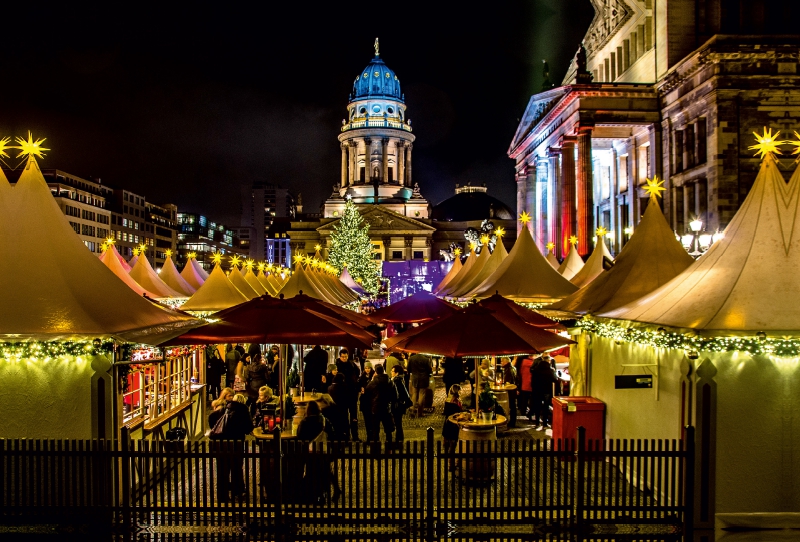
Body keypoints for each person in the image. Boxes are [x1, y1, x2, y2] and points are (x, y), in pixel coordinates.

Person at [211, 393, 254, 502]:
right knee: (236, 468)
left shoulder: (224, 409)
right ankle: (237, 491)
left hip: (220, 445)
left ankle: (222, 495)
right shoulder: (243, 411)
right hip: (236, 444)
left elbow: (212, 419)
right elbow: (248, 427)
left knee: (222, 471)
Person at [296, 400, 338, 503]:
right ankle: (329, 490)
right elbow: (332, 434)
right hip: (323, 451)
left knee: (311, 471)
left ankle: (315, 493)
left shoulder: (305, 422)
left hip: (310, 452)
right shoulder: (324, 420)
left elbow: (299, 436)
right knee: (326, 470)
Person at [364, 364, 396, 445]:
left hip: (376, 408)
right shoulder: (390, 382)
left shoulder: (373, 382)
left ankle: (375, 448)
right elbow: (395, 395)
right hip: (386, 408)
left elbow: (367, 393)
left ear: (376, 372)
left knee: (375, 429)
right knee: (388, 429)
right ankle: (389, 447)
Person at [335, 348, 362, 441]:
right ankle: (346, 436)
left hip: (352, 394)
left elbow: (358, 372)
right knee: (344, 417)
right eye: (343, 357)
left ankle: (355, 436)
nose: (344, 358)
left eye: (346, 356)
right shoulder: (337, 366)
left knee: (354, 417)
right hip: (343, 395)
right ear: (340, 356)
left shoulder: (351, 364)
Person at [530, 354, 559, 428]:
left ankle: (537, 422)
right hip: (546, 390)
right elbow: (555, 379)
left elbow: (533, 380)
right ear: (548, 361)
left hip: (537, 390)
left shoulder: (536, 369)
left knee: (537, 406)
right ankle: (545, 424)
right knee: (546, 406)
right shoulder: (550, 370)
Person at [441, 384, 463, 471]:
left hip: (447, 425)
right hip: (453, 426)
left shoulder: (448, 401)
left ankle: (450, 463)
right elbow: (457, 414)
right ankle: (452, 464)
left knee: (448, 446)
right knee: (453, 446)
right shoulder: (456, 403)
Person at [390, 365, 412, 444]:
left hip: (398, 406)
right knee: (398, 423)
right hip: (398, 405)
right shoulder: (398, 380)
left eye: (392, 371)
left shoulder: (397, 381)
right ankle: (399, 440)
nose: (391, 372)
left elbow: (399, 395)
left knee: (398, 424)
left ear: (396, 373)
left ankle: (399, 441)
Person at [407, 352, 432, 418]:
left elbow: (408, 369)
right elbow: (429, 370)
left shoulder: (412, 358)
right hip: (424, 379)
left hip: (415, 378)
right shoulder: (426, 359)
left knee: (414, 394)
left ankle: (412, 411)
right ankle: (419, 413)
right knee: (422, 394)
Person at [326, 373, 349, 440]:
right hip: (343, 407)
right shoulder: (343, 386)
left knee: (336, 423)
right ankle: (345, 437)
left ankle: (337, 437)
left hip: (334, 408)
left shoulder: (330, 388)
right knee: (344, 422)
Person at [358, 361, 376, 439]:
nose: (367, 370)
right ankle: (369, 436)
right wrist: (360, 389)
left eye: (368, 368)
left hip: (372, 401)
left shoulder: (374, 377)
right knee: (367, 420)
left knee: (373, 420)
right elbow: (359, 385)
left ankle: (373, 436)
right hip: (365, 401)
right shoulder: (362, 377)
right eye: (366, 368)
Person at [500, 357, 517, 428]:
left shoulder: (508, 370)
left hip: (510, 390)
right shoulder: (512, 368)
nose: (501, 363)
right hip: (513, 390)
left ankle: (512, 422)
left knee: (512, 406)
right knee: (513, 406)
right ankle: (512, 421)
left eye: (502, 362)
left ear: (505, 362)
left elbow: (507, 381)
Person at [516, 356, 534, 421]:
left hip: (524, 382)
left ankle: (523, 411)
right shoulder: (533, 363)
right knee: (532, 399)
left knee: (524, 399)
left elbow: (520, 372)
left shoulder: (523, 362)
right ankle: (530, 412)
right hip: (531, 383)